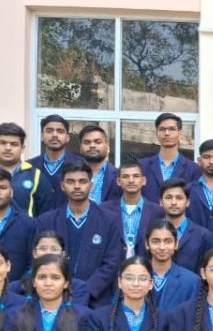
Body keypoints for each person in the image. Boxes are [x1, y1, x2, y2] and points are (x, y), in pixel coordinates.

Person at [34, 163, 123, 307]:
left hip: (96, 302)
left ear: (91, 185)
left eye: (82, 181)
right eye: (71, 181)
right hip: (54, 299)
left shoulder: (109, 220)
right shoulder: (46, 221)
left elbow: (112, 262)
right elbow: (41, 260)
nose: (77, 186)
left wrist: (85, 291)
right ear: (62, 186)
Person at [100, 159, 165, 258]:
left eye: (136, 176)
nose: (131, 180)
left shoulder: (158, 211)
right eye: (125, 176)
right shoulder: (104, 209)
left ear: (144, 181)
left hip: (145, 264)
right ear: (118, 181)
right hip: (114, 265)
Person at [151, 178, 213, 273]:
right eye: (168, 197)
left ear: (188, 202)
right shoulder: (149, 232)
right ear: (160, 201)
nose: (174, 202)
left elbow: (205, 270)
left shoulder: (202, 235)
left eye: (179, 198)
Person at [139, 112, 200, 204]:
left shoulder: (194, 169)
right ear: (156, 133)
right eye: (162, 129)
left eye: (172, 129)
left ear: (180, 133)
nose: (167, 133)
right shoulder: (142, 166)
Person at [143, 219, 201, 314]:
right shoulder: (134, 277)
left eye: (168, 241)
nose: (162, 247)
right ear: (147, 244)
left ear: (176, 244)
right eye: (155, 241)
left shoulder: (191, 282)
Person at [29, 114, 83, 210]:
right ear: (42, 136)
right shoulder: (29, 166)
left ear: (67, 137)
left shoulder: (81, 165)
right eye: (49, 131)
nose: (54, 135)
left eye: (60, 131)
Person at [79, 123, 119, 204]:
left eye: (97, 142)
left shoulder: (119, 176)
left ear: (108, 148)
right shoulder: (68, 176)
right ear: (80, 148)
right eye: (87, 142)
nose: (92, 146)